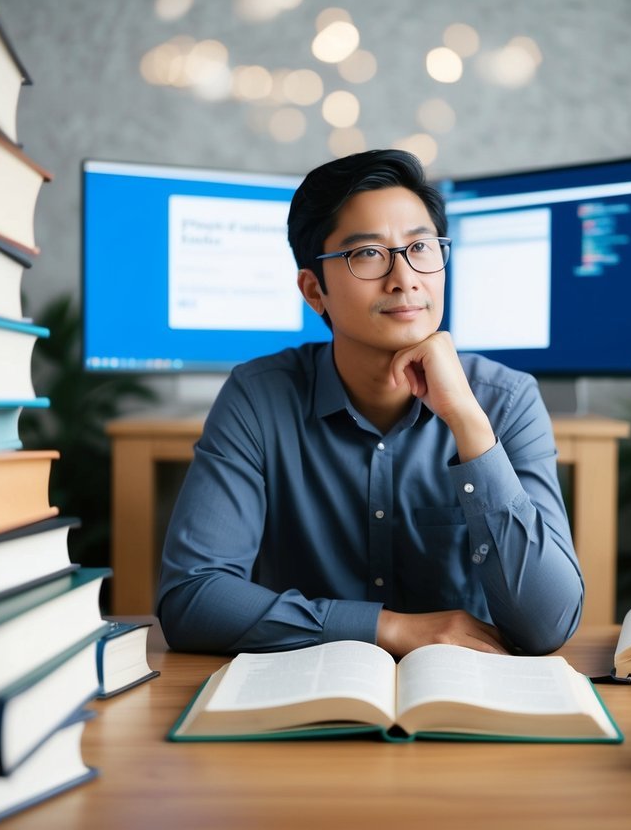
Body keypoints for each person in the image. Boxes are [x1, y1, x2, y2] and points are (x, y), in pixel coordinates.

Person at [156, 149, 583, 657]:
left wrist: (468, 423)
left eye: (421, 247)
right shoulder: (259, 397)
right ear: (315, 291)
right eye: (367, 254)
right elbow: (192, 597)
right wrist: (390, 629)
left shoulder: (506, 400)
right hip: (307, 697)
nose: (405, 278)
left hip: (466, 697)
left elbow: (549, 623)